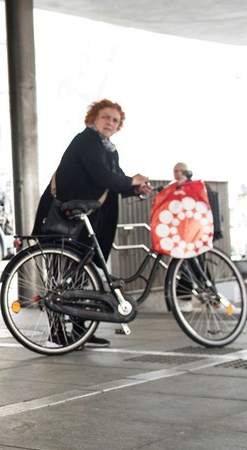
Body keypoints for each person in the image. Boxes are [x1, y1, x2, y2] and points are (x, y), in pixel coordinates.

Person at [35, 98, 151, 347]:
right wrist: (132, 180)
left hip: (86, 219)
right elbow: (103, 176)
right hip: (65, 217)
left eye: (115, 120)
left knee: (81, 275)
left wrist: (136, 189)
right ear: (93, 118)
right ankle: (57, 331)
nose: (110, 122)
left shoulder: (109, 149)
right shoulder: (86, 141)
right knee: (60, 277)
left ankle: (79, 329)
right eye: (106, 117)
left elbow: (115, 180)